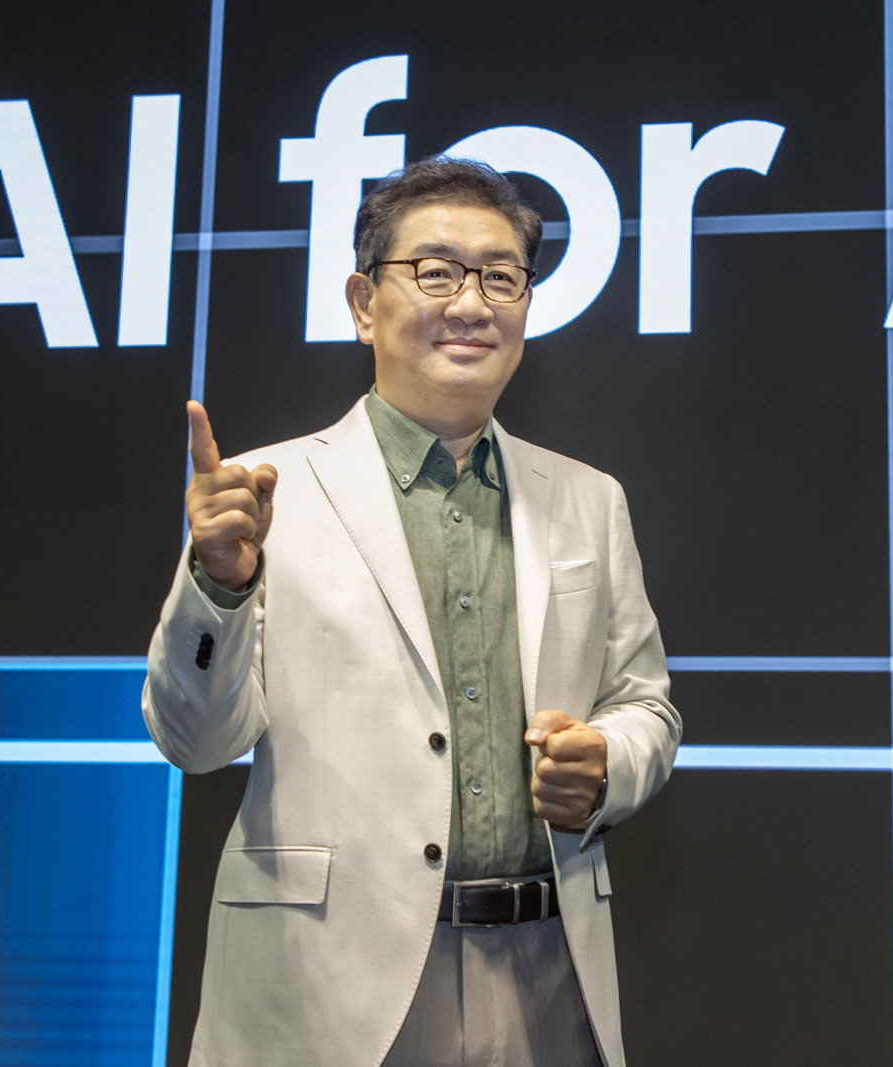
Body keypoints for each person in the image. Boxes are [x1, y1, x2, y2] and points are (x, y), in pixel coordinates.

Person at [143, 157, 681, 1067]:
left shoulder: (589, 498)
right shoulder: (264, 491)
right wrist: (218, 583)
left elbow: (646, 706)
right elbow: (194, 741)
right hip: (328, 983)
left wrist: (605, 766)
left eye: (501, 276)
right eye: (435, 271)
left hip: (551, 973)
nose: (471, 302)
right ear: (364, 303)